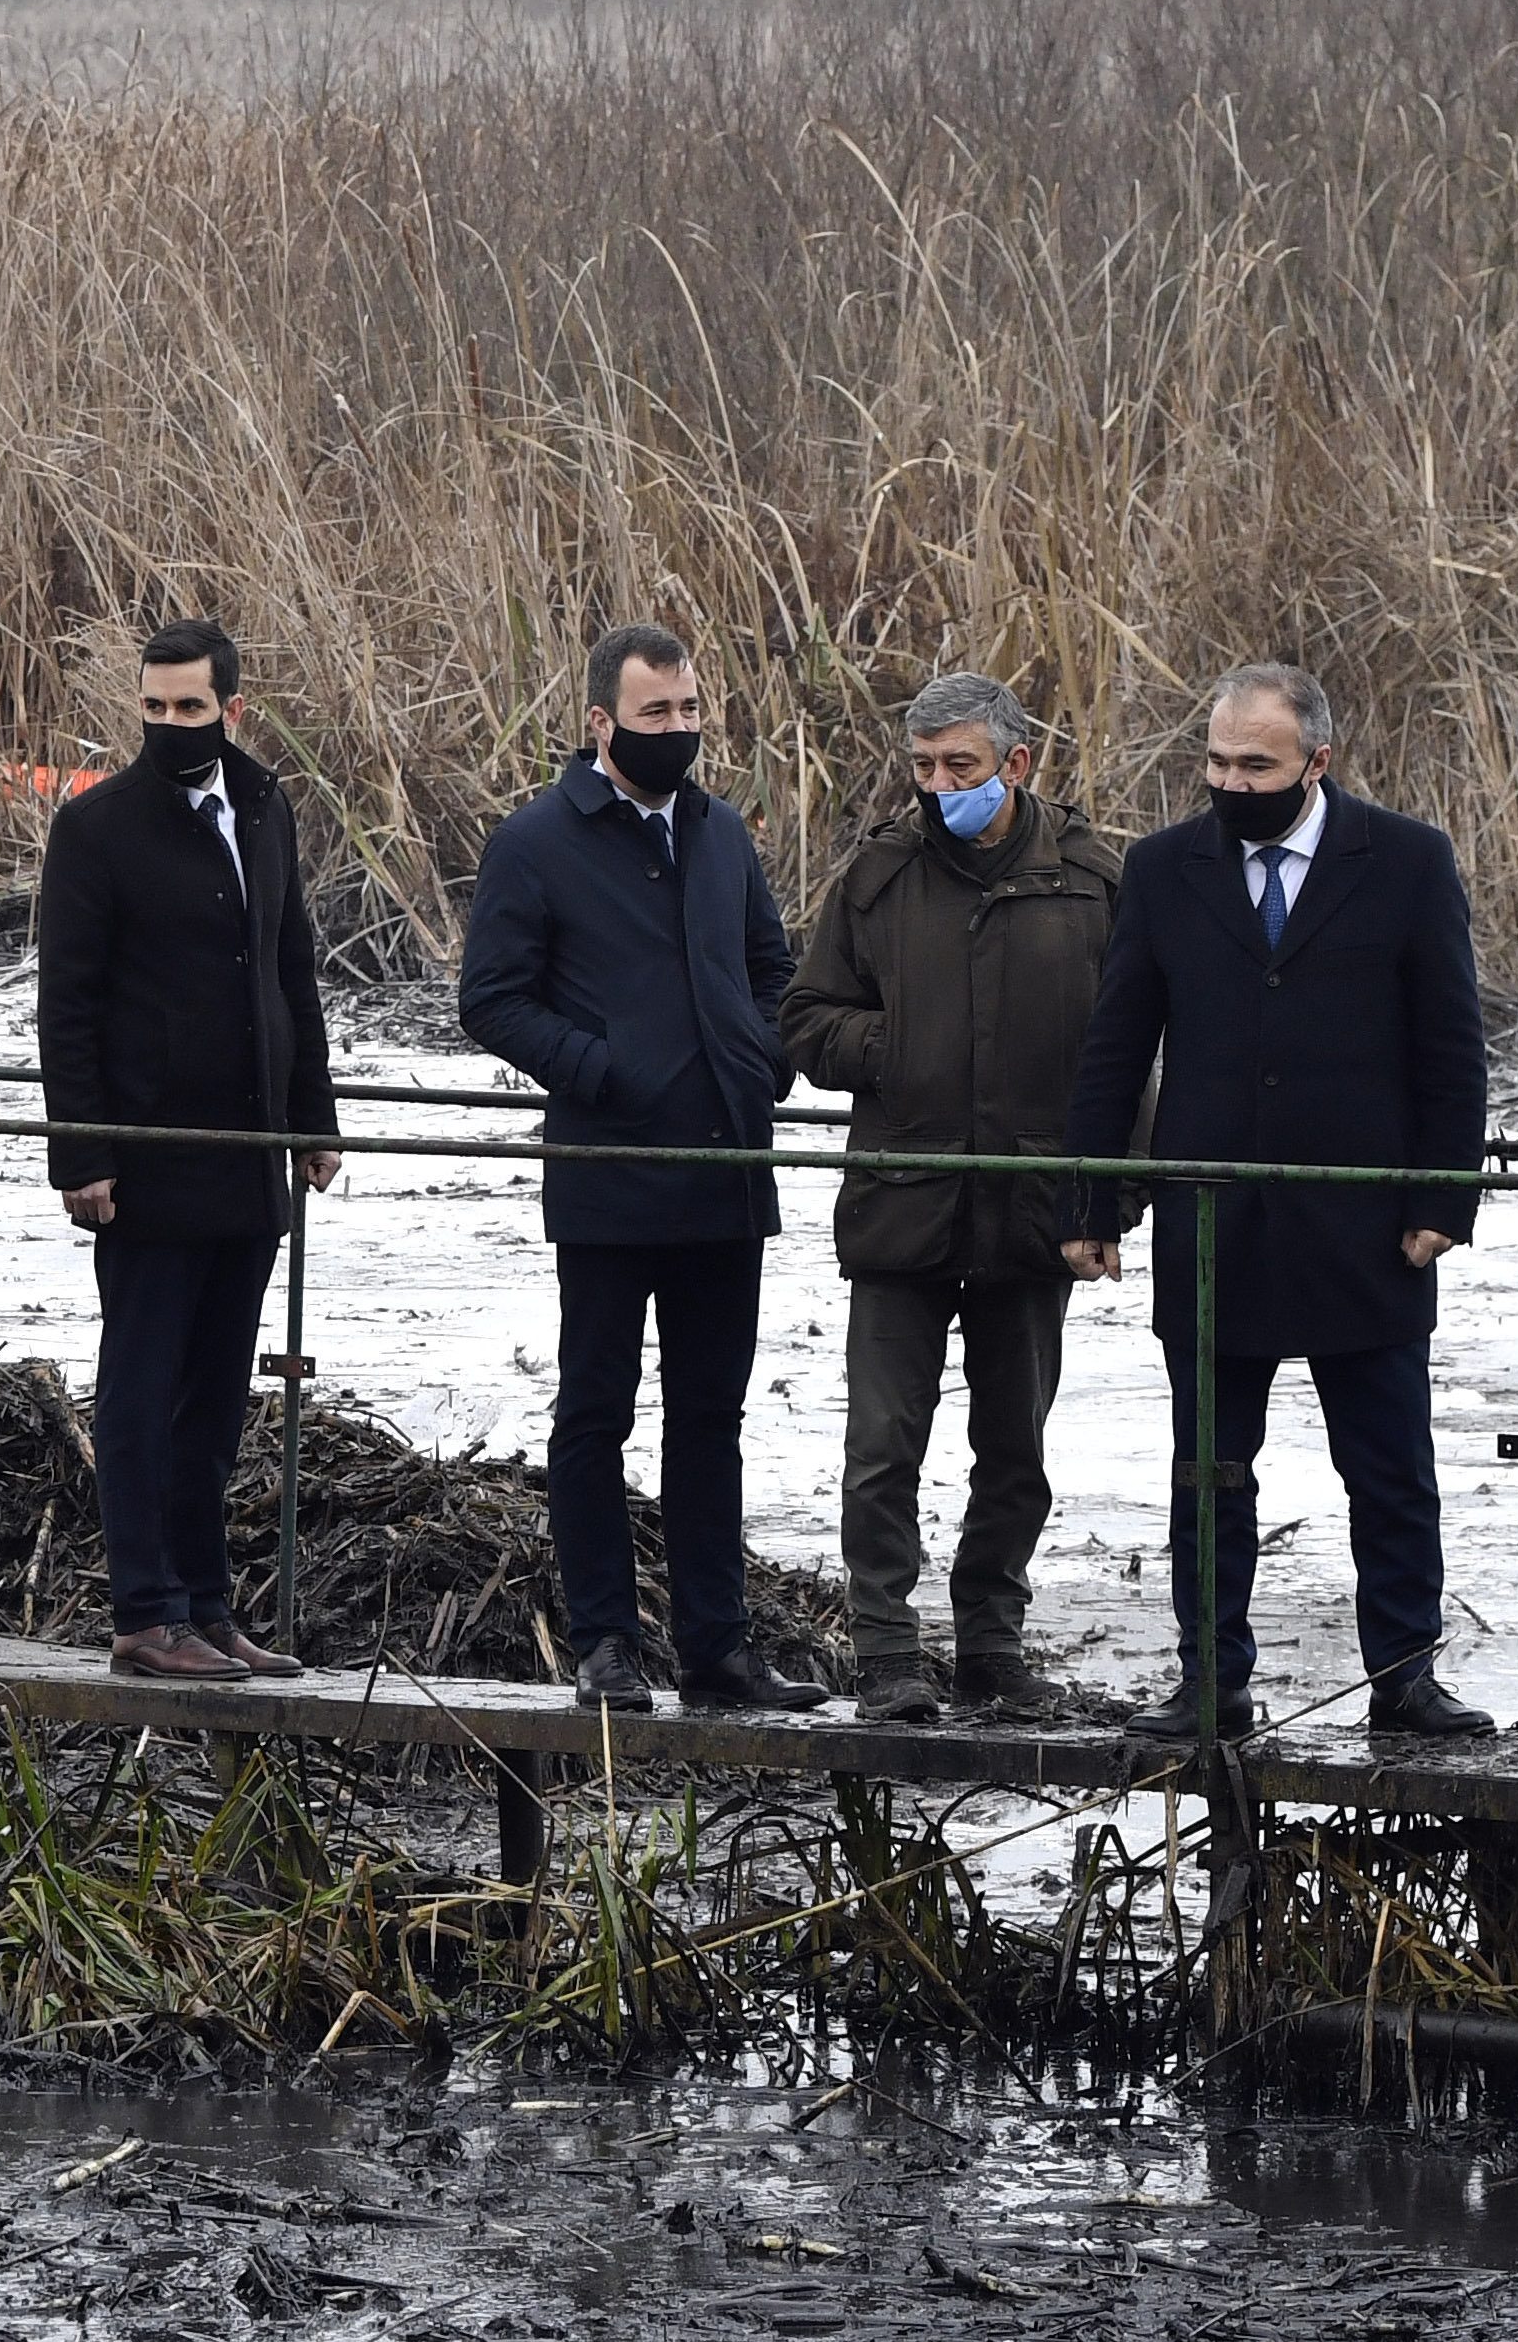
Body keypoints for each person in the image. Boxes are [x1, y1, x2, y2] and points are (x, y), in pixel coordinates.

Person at [1061, 662, 1497, 1742]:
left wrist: (1443, 1194)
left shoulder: (1402, 861)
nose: (1230, 782)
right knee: (1208, 1473)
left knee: (1387, 1468)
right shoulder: (1163, 870)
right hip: (1214, 1224)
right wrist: (1092, 1198)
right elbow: (1116, 1045)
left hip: (1365, 1222)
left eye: (1254, 764)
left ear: (1316, 761)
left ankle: (1404, 1677)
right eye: (1214, 762)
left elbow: (1450, 1043)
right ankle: (1209, 1679)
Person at [459, 623, 830, 1715]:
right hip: (607, 1176)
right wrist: (598, 1071)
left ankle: (718, 1650)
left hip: (725, 1170)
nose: (675, 731)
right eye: (653, 713)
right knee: (593, 1414)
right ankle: (605, 1646)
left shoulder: (720, 835)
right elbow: (490, 1000)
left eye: (687, 711)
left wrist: (760, 1064)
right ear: (598, 723)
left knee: (710, 1420)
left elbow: (770, 969)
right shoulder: (534, 842)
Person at [778, 672, 1127, 1726]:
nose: (937, 788)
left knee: (1014, 1448)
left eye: (958, 768)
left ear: (1014, 765)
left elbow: (1135, 1052)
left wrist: (1107, 1204)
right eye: (923, 768)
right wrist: (895, 1049)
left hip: (1033, 1213)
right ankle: (886, 1654)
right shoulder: (877, 876)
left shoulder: (1092, 882)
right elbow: (804, 1020)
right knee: (881, 1447)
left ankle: (991, 1647)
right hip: (903, 1205)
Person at [36, 619, 342, 1684]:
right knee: (139, 1389)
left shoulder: (261, 806)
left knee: (214, 1398)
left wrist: (313, 1118)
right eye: (153, 708)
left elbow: (288, 965)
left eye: (189, 710)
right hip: (147, 1159)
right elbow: (64, 1004)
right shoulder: (96, 829)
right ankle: (143, 1610)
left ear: (230, 710)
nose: (168, 726)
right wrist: (80, 1155)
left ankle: (207, 1609)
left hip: (249, 1152)